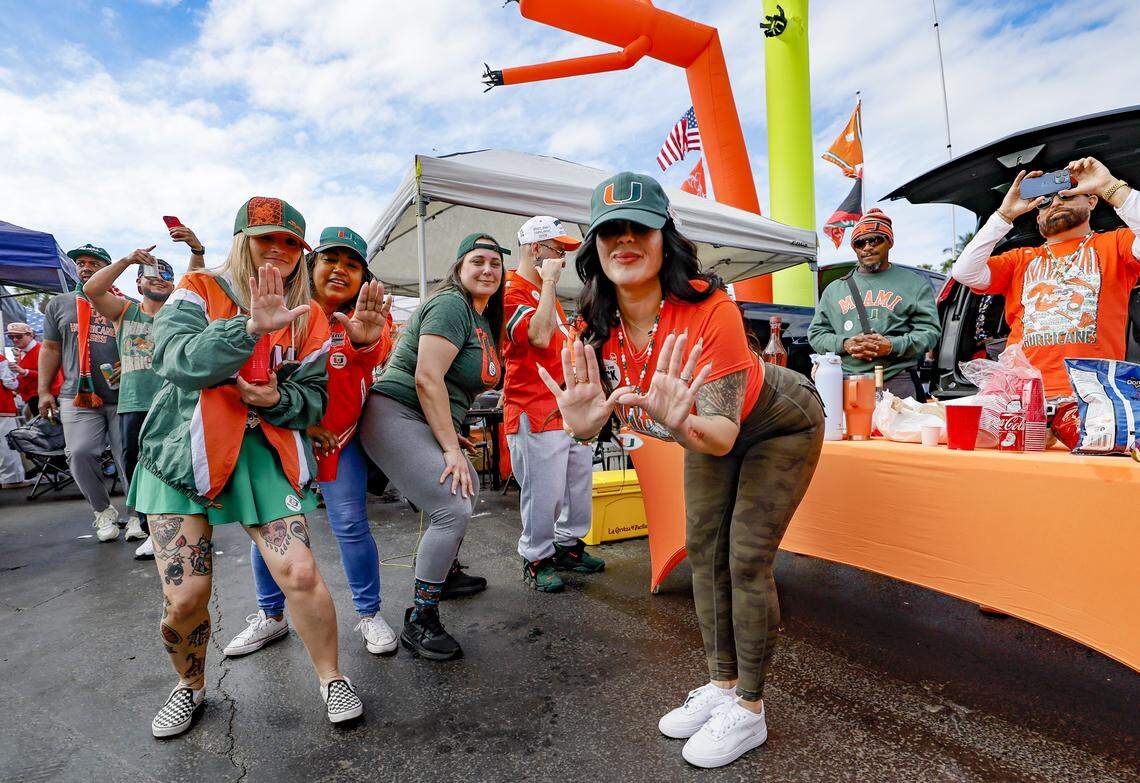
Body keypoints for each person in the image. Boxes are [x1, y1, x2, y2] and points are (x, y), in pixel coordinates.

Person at [538, 173, 824, 768]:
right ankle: (721, 687)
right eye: (608, 231)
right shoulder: (597, 329)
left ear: (664, 238)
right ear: (593, 250)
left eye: (638, 228)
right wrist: (581, 425)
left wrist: (676, 425)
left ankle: (748, 709)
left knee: (744, 557)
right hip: (708, 433)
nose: (624, 240)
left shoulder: (709, 308)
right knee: (702, 549)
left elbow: (716, 436)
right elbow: (598, 425)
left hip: (779, 422)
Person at [129, 196, 363, 737]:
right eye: (267, 240)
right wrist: (248, 330)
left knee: (300, 573)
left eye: (290, 244)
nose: (279, 252)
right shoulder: (198, 290)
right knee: (185, 596)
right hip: (181, 454)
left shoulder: (309, 316)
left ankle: (332, 678)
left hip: (262, 451)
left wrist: (272, 401)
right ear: (242, 242)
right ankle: (189, 686)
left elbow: (312, 400)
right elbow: (176, 361)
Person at [224, 226, 400, 658]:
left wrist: (363, 339)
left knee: (351, 525)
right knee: (270, 531)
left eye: (352, 264)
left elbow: (377, 353)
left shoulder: (371, 314)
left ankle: (369, 614)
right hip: (284, 436)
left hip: (341, 442)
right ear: (312, 264)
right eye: (331, 260)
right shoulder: (286, 308)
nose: (340, 270)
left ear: (363, 276)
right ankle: (270, 616)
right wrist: (302, 425)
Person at [358, 232, 505, 661]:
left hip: (421, 416)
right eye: (477, 261)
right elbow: (426, 378)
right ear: (459, 268)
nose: (487, 270)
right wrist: (449, 447)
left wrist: (448, 432)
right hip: (394, 411)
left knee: (469, 486)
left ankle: (445, 573)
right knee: (453, 504)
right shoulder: (450, 304)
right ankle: (420, 619)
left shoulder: (480, 320)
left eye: (495, 263)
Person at [952, 157, 1140, 399]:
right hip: (1022, 396)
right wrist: (1005, 214)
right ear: (1038, 217)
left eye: (1067, 194)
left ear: (1092, 200)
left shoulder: (1116, 244)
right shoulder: (1020, 258)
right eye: (1046, 201)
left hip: (1093, 397)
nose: (1056, 202)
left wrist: (1109, 186)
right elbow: (964, 272)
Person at [502, 216, 603, 592]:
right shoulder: (512, 289)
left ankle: (568, 546)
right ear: (535, 250)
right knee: (543, 491)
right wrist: (547, 282)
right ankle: (536, 556)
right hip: (533, 407)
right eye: (557, 250)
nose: (562, 258)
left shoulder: (548, 296)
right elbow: (540, 337)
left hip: (565, 408)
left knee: (577, 482)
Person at [83, 251, 179, 549]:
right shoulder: (125, 311)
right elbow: (92, 290)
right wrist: (126, 261)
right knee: (138, 467)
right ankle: (152, 532)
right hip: (134, 402)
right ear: (138, 283)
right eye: (151, 274)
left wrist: (196, 252)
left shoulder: (177, 315)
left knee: (176, 466)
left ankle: (179, 529)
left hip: (173, 402)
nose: (159, 279)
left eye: (166, 275)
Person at [39, 244, 126, 541]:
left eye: (94, 263)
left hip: (122, 394)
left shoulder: (126, 303)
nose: (85, 267)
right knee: (79, 453)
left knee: (128, 457)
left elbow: (144, 343)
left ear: (108, 267)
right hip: (76, 395)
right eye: (81, 263)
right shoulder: (60, 304)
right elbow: (50, 348)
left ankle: (140, 514)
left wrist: (130, 363)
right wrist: (43, 391)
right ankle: (102, 511)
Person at [807, 209, 940, 399]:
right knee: (849, 430)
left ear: (889, 242)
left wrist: (892, 345)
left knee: (898, 430)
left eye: (875, 240)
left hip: (897, 381)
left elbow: (930, 332)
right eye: (860, 243)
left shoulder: (914, 284)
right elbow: (816, 334)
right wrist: (845, 344)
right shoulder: (835, 289)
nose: (867, 247)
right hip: (846, 382)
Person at [6, 321, 59, 417]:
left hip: (47, 397)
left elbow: (53, 375)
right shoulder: (22, 352)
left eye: (18, 336)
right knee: (45, 427)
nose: (14, 339)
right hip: (34, 398)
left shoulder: (43, 350)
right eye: (11, 336)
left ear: (30, 335)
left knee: (51, 427)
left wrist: (25, 372)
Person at [0, 354, 30, 488]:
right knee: (6, 443)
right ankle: (12, 478)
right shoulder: (1, 359)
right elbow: (10, 382)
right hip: (2, 405)